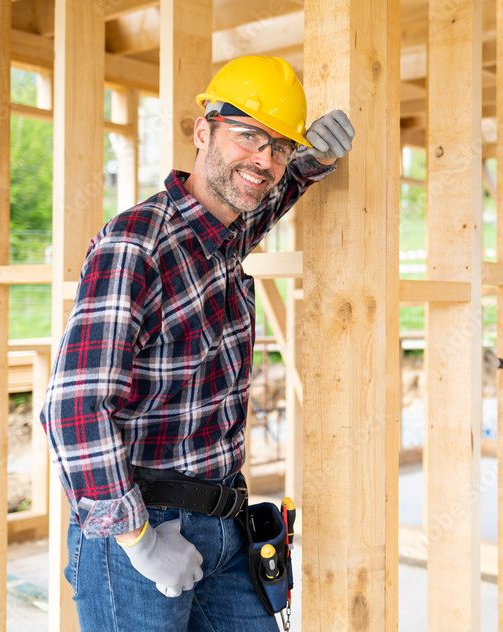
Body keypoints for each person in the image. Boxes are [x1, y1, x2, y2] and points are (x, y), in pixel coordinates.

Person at [40, 55, 355, 631]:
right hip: (143, 527)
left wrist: (311, 161)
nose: (264, 160)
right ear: (202, 131)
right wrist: (139, 540)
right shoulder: (136, 243)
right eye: (249, 137)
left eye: (278, 147)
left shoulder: (226, 234)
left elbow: (264, 195)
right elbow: (73, 409)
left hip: (225, 518)